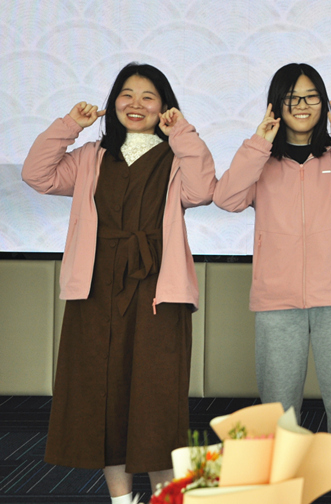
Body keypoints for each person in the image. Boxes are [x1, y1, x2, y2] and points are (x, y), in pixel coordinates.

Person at [21, 62, 216, 504]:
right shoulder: (91, 156)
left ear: (165, 107)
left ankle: (167, 497)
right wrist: (70, 125)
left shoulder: (176, 157)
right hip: (95, 289)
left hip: (158, 288)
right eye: (126, 94)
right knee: (102, 398)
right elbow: (36, 174)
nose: (136, 104)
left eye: (148, 96)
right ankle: (121, 499)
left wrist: (182, 132)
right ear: (112, 103)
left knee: (157, 400)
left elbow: (204, 190)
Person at [213, 63, 331, 504]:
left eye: (312, 96)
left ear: (324, 103)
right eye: (292, 97)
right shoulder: (262, 161)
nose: (303, 105)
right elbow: (227, 198)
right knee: (278, 407)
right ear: (276, 104)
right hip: (277, 301)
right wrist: (258, 143)